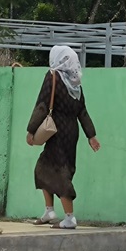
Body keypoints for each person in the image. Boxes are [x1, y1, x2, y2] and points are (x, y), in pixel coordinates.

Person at [26, 45, 100, 229]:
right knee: (44, 167)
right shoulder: (75, 83)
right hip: (71, 132)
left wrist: (31, 130)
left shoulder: (53, 76)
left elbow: (42, 105)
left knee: (61, 173)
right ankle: (49, 211)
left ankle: (69, 218)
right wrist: (91, 136)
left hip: (56, 131)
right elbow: (82, 111)